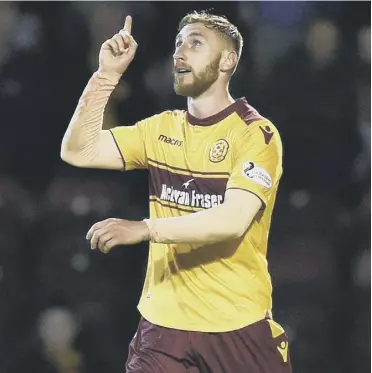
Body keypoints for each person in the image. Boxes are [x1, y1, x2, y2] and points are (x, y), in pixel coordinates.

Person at [61, 10, 292, 373]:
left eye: (195, 43)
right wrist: (106, 76)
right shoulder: (160, 129)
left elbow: (233, 220)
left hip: (236, 326)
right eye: (178, 44)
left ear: (228, 60)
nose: (180, 53)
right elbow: (78, 150)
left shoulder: (256, 134)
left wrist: (146, 228)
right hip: (163, 329)